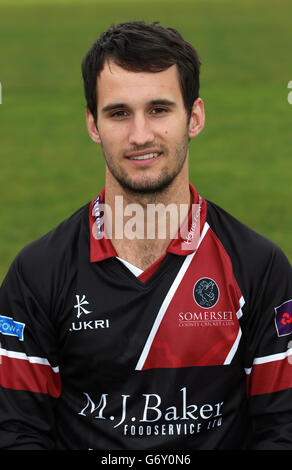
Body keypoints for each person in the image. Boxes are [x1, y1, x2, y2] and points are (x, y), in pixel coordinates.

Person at [0, 20, 291, 451]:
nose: (140, 135)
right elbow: (17, 432)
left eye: (159, 109)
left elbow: (281, 430)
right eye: (119, 113)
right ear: (93, 125)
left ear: (194, 117)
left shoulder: (258, 267)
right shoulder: (37, 273)